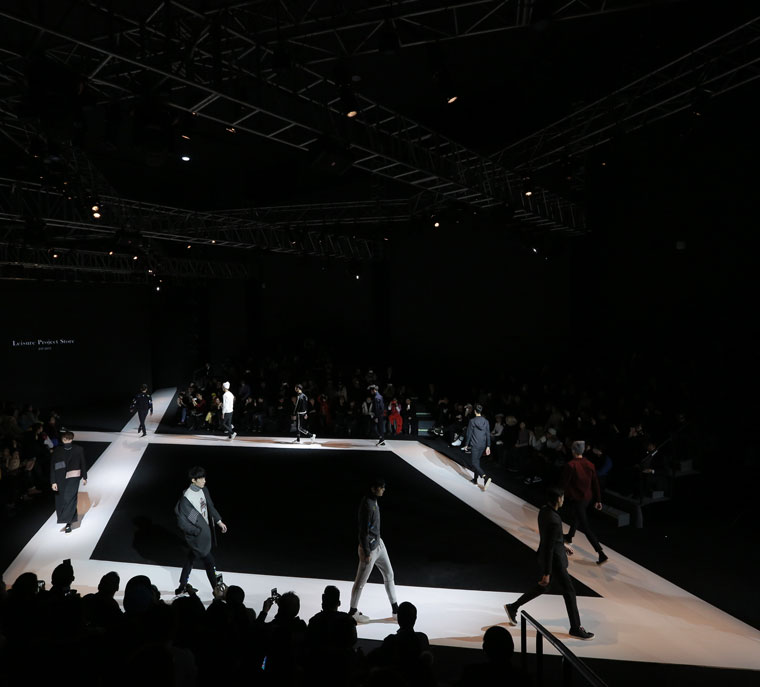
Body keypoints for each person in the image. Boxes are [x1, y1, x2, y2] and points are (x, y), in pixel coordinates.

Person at [504, 487, 595, 640]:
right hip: (554, 561)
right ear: (558, 499)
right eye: (562, 497)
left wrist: (563, 545)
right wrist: (547, 572)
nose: (564, 500)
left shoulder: (544, 511)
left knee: (544, 587)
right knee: (569, 592)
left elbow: (549, 538)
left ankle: (513, 607)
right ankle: (575, 628)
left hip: (551, 556)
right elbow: (549, 546)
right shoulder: (554, 519)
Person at [349, 477, 398, 623]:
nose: (383, 490)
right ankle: (352, 612)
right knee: (360, 582)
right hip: (369, 550)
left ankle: (395, 610)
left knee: (389, 574)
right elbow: (362, 532)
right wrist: (366, 552)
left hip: (379, 544)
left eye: (383, 487)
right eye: (381, 487)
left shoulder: (374, 500)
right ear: (373, 488)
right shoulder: (367, 505)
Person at [174, 466, 228, 595]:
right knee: (209, 562)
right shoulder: (187, 498)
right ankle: (217, 591)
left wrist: (219, 521)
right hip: (198, 537)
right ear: (193, 480)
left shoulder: (204, 490)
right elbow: (186, 521)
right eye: (201, 478)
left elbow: (210, 506)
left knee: (191, 558)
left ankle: (182, 586)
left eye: (204, 477)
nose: (204, 480)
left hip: (204, 532)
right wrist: (197, 532)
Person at [561, 440, 608, 565]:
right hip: (588, 498)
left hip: (578, 499)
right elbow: (595, 483)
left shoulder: (571, 465)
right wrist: (598, 500)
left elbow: (565, 484)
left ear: (573, 451)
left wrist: (560, 495)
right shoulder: (590, 464)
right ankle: (569, 536)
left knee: (585, 526)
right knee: (577, 516)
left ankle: (601, 553)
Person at [50, 431, 87, 533]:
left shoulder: (58, 450)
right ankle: (68, 522)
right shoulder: (77, 449)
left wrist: (53, 481)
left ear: (64, 439)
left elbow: (52, 467)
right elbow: (83, 463)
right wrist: (84, 477)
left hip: (65, 477)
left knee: (67, 499)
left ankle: (68, 523)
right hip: (70, 477)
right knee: (68, 499)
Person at [463, 404, 492, 489]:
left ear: (475, 411)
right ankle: (475, 480)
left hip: (475, 445)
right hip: (482, 445)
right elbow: (488, 434)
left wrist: (466, 444)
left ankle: (485, 477)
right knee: (477, 462)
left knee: (474, 463)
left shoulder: (472, 421)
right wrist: (488, 446)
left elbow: (469, 434)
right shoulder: (486, 421)